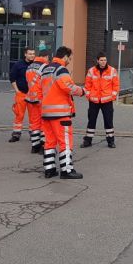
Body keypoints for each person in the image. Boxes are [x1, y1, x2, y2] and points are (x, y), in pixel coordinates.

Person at [40, 46, 85, 179]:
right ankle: (66, 170)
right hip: (60, 113)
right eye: (69, 58)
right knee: (65, 141)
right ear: (65, 57)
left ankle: (49, 169)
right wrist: (82, 91)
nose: (69, 61)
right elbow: (68, 87)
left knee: (49, 142)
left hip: (46, 112)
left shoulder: (45, 69)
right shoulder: (61, 70)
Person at [82, 53, 120, 149]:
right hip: (94, 100)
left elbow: (116, 86)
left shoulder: (112, 71)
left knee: (108, 121)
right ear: (97, 61)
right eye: (101, 60)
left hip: (107, 101)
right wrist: (88, 96)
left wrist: (112, 97)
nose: (103, 62)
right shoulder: (91, 71)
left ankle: (111, 141)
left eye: (105, 60)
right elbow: (87, 86)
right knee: (91, 121)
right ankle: (88, 141)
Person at [8, 48, 35, 143]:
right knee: (19, 115)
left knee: (33, 116)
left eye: (33, 54)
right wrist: (17, 90)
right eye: (30, 54)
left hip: (33, 95)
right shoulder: (18, 65)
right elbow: (12, 78)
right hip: (21, 94)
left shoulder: (35, 65)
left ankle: (33, 134)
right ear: (25, 54)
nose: (32, 55)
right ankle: (16, 134)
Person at [24, 49, 49, 154]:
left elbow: (28, 81)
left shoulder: (30, 66)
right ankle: (43, 146)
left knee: (34, 123)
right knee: (44, 123)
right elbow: (46, 83)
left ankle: (34, 146)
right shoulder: (44, 67)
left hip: (31, 98)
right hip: (41, 98)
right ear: (46, 57)